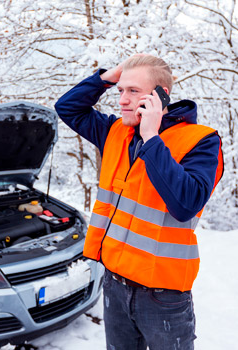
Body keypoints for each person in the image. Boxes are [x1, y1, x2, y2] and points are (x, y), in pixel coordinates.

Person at [54, 54, 224, 350]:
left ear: (161, 96)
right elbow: (67, 107)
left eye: (133, 91)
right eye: (120, 91)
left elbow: (186, 204)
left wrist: (151, 138)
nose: (122, 100)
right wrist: (105, 78)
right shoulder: (115, 132)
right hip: (115, 283)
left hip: (164, 295)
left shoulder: (201, 141)